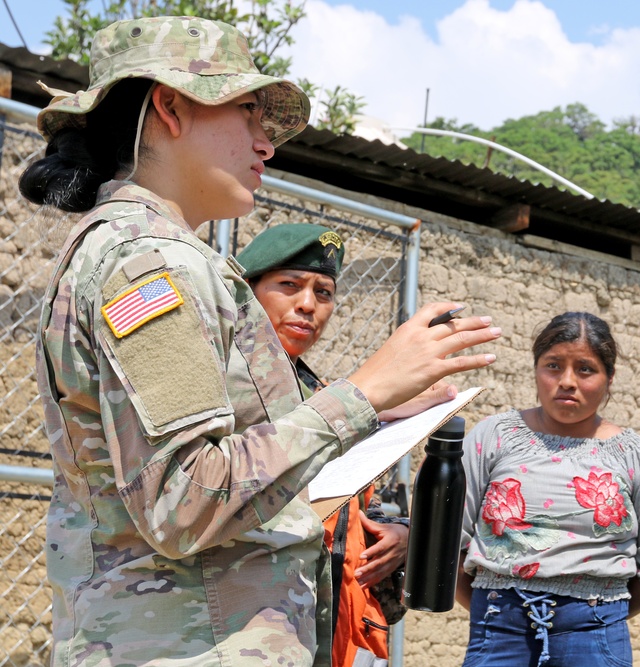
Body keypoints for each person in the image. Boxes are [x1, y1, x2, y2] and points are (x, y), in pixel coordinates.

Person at [20, 17, 500, 666]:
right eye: (248, 114)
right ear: (170, 107)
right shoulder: (149, 263)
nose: (265, 144)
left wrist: (376, 412)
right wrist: (363, 392)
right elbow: (186, 499)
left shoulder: (155, 252)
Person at [237, 223, 440, 667]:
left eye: (323, 292)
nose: (307, 305)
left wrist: (400, 535)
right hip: (249, 634)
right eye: (289, 285)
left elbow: (357, 505)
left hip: (334, 636)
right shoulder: (223, 394)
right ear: (247, 292)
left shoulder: (331, 397)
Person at [457, 312, 640, 667]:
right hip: (498, 631)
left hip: (595, 634)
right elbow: (449, 544)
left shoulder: (638, 457)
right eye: (553, 366)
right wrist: (497, 607)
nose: (567, 381)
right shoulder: (493, 437)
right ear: (535, 370)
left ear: (609, 378)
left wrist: (599, 612)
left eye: (585, 369)